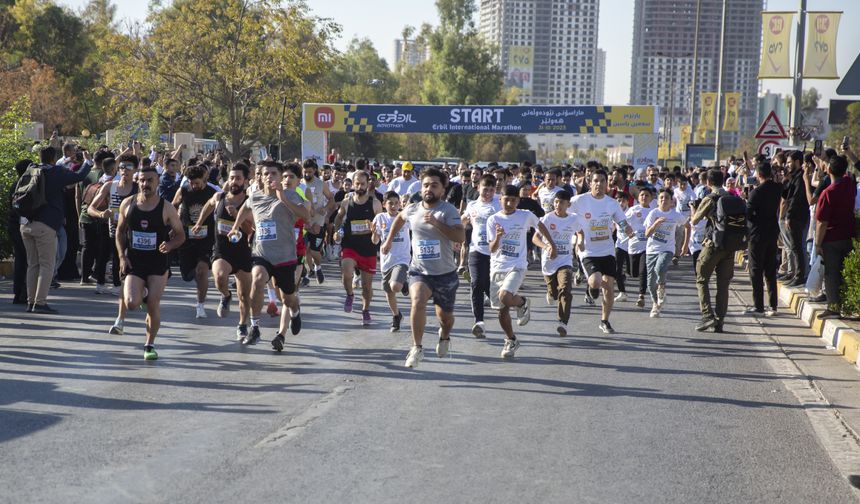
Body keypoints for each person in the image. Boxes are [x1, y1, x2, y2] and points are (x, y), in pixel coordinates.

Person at [381, 167, 465, 368]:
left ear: (442, 189)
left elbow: (460, 237)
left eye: (434, 185)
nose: (429, 189)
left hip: (445, 273)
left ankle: (444, 336)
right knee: (417, 301)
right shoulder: (413, 208)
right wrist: (389, 240)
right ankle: (416, 347)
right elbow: (400, 219)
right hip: (419, 270)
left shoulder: (448, 211)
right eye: (426, 185)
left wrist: (437, 223)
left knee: (445, 318)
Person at [228, 161, 310, 351]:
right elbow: (245, 208)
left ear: (280, 177)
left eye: (274, 173)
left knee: (287, 299)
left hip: (285, 256)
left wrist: (283, 198)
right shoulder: (255, 196)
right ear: (261, 176)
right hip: (262, 253)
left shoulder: (291, 194)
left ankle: (295, 311)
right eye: (266, 174)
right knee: (257, 279)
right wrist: (235, 227)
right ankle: (255, 327)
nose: (269, 177)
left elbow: (305, 215)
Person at [114, 166, 185, 360]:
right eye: (142, 180)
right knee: (131, 303)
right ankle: (143, 294)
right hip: (135, 261)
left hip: (157, 263)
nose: (146, 184)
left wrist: (170, 245)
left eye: (150, 180)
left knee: (153, 304)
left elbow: (181, 235)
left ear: (157, 182)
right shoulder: (128, 204)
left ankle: (149, 345)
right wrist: (122, 257)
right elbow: (120, 232)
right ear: (138, 181)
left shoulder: (167, 207)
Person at [486, 185, 555, 358]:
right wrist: (498, 237)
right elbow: (492, 249)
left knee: (505, 296)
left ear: (518, 201)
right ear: (500, 199)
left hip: (517, 265)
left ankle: (522, 302)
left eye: (513, 200)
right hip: (497, 267)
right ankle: (511, 340)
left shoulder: (525, 215)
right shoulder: (493, 219)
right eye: (506, 200)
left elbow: (541, 225)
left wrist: (551, 244)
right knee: (502, 310)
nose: (510, 204)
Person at [20, 146, 92, 313]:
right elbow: (79, 176)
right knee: (47, 264)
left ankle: (30, 301)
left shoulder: (31, 170)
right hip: (45, 224)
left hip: (26, 223)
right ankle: (40, 303)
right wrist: (87, 161)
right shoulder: (55, 172)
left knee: (33, 264)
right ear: (53, 158)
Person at [191, 163, 254, 339]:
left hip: (242, 253)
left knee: (244, 295)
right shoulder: (219, 197)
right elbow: (208, 205)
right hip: (222, 250)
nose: (234, 181)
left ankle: (242, 324)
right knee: (219, 276)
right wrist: (199, 222)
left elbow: (250, 230)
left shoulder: (249, 202)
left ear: (245, 181)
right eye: (231, 178)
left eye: (238, 178)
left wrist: (236, 215)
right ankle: (226, 295)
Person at [570, 169, 635, 333]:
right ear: (590, 183)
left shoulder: (611, 203)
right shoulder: (578, 201)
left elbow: (621, 221)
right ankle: (592, 288)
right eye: (595, 181)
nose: (599, 184)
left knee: (609, 287)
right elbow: (564, 214)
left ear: (607, 183)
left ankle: (604, 321)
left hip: (607, 250)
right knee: (596, 281)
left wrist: (628, 229)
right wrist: (576, 236)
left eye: (602, 181)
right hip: (588, 251)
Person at [334, 170, 383, 325]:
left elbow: (382, 224)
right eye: (357, 183)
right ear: (353, 184)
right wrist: (336, 232)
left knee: (367, 287)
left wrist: (376, 231)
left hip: (368, 248)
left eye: (363, 184)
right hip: (350, 245)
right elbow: (339, 218)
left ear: (368, 184)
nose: (360, 187)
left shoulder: (375, 203)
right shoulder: (346, 201)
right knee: (346, 272)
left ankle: (365, 310)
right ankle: (350, 294)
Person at [691, 169, 736, 333]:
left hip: (713, 244)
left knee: (702, 278)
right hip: (730, 246)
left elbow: (695, 220)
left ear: (708, 183)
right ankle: (720, 320)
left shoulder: (710, 198)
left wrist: (693, 208)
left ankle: (707, 315)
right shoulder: (732, 197)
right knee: (723, 284)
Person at [173, 164, 219, 318]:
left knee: (201, 271)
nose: (193, 186)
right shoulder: (184, 190)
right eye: (191, 182)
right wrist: (174, 226)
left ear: (204, 179)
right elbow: (173, 206)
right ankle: (198, 278)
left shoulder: (213, 192)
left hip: (206, 239)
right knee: (187, 275)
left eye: (197, 183)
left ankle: (200, 305)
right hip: (186, 237)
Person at [89, 154, 139, 298]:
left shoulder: (138, 188)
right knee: (106, 255)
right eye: (122, 167)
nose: (125, 170)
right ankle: (105, 283)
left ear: (135, 169)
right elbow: (91, 208)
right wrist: (101, 214)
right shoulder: (110, 186)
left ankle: (123, 284)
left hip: (131, 230)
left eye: (129, 167)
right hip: (112, 228)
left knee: (126, 257)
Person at [533, 190, 580, 337]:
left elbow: (580, 232)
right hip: (549, 261)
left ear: (568, 205)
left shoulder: (573, 218)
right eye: (556, 202)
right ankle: (550, 293)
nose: (558, 205)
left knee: (565, 289)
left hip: (565, 260)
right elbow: (535, 238)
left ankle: (562, 322)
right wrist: (546, 246)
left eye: (561, 203)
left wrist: (580, 242)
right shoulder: (547, 218)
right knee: (554, 294)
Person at [814, 155, 856, 319]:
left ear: (829, 170)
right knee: (846, 273)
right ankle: (848, 304)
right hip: (849, 235)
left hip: (831, 239)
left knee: (831, 274)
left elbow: (822, 222)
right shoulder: (850, 185)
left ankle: (833, 308)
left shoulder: (828, 193)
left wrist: (818, 244)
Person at [460, 174, 501, 337]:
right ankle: (479, 322)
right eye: (485, 189)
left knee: (489, 286)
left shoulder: (499, 205)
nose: (488, 193)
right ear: (478, 188)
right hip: (476, 250)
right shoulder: (472, 205)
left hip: (495, 252)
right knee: (476, 283)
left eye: (491, 190)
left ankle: (512, 304)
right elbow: (463, 221)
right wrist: (458, 232)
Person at [643, 189, 689, 317]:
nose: (664, 200)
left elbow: (688, 226)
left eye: (666, 198)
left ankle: (662, 288)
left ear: (671, 201)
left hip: (667, 249)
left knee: (660, 267)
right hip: (652, 250)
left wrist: (685, 245)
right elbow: (647, 234)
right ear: (657, 201)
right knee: (650, 282)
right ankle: (655, 305)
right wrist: (656, 223)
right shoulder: (653, 213)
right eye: (661, 198)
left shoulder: (675, 215)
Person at [371, 191, 411, 332]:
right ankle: (396, 315)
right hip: (386, 260)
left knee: (395, 286)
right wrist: (374, 233)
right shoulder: (380, 218)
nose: (393, 206)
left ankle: (403, 281)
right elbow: (375, 241)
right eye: (390, 203)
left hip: (402, 258)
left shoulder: (405, 217)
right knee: (389, 292)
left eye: (396, 203)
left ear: (400, 204)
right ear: (384, 204)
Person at [745, 162, 781, 316]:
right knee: (770, 270)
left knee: (756, 270)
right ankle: (773, 305)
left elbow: (748, 214)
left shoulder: (756, 192)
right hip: (772, 232)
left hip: (757, 234)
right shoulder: (777, 188)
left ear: (759, 175)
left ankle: (758, 305)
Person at [302, 159, 334, 284]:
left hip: (318, 222)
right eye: (305, 172)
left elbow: (331, 199)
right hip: (304, 221)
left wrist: (325, 209)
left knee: (314, 251)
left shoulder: (321, 184)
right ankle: (307, 273)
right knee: (304, 250)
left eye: (310, 172)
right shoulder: (299, 184)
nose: (307, 174)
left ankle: (318, 267)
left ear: (314, 171)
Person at [781, 150, 809, 288]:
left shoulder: (800, 178)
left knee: (797, 247)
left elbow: (796, 199)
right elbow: (786, 195)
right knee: (793, 246)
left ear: (797, 162)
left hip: (797, 217)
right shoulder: (793, 177)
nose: (787, 165)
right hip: (793, 216)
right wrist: (784, 180)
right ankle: (796, 275)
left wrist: (789, 216)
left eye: (789, 162)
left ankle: (800, 276)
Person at [626, 187, 655, 308]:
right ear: (638, 197)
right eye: (642, 195)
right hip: (634, 246)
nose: (644, 197)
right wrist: (627, 231)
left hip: (648, 246)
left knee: (644, 271)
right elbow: (621, 221)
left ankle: (641, 296)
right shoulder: (633, 210)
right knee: (633, 273)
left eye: (647, 195)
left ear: (651, 198)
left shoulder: (653, 212)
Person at [10, 160, 31, 305]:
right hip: (22, 225)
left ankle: (18, 292)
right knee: (27, 260)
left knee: (20, 260)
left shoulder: (14, 185)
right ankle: (24, 292)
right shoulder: (25, 185)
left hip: (14, 224)